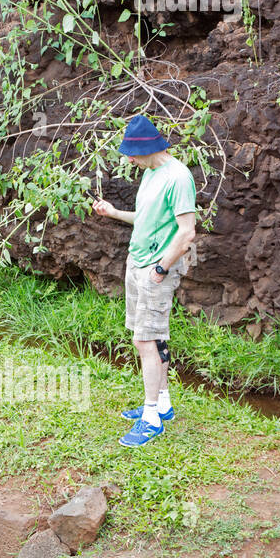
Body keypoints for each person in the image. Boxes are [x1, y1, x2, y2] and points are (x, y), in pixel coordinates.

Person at [91, 115, 197, 447]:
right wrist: (114, 213)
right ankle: (162, 405)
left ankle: (151, 419)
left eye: (131, 154)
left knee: (146, 341)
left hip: (155, 269)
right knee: (150, 338)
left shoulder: (179, 177)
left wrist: (162, 268)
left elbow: (186, 232)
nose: (129, 160)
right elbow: (147, 217)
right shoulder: (151, 174)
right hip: (137, 263)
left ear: (148, 147)